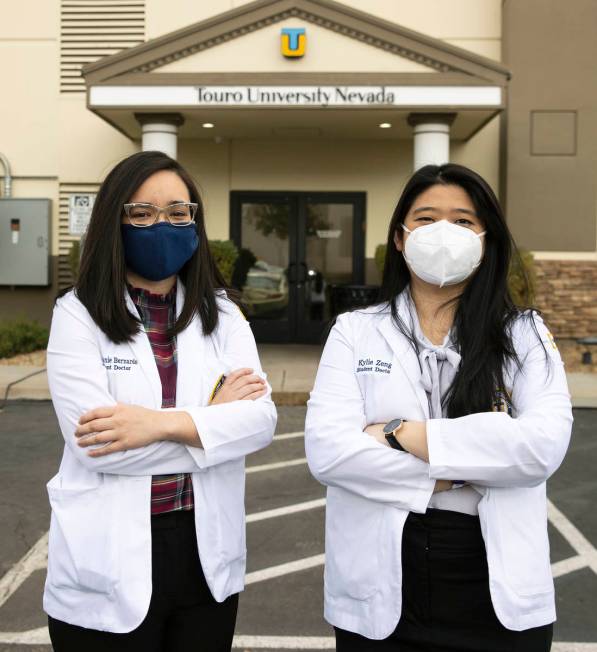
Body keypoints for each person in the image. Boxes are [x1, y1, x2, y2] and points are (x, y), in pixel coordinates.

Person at [305, 163, 572, 651]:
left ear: (486, 238)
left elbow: (540, 450)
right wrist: (461, 468)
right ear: (401, 238)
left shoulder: (524, 333)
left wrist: (401, 434)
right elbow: (329, 452)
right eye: (426, 219)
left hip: (495, 581)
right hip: (384, 577)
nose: (444, 233)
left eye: (464, 221)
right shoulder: (355, 330)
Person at [44, 150, 277, 651]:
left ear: (194, 221)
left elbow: (260, 421)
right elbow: (96, 444)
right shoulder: (77, 314)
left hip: (202, 554)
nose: (162, 225)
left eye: (178, 212)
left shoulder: (224, 316)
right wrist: (211, 424)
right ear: (115, 221)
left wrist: (156, 425)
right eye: (142, 213)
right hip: (107, 555)